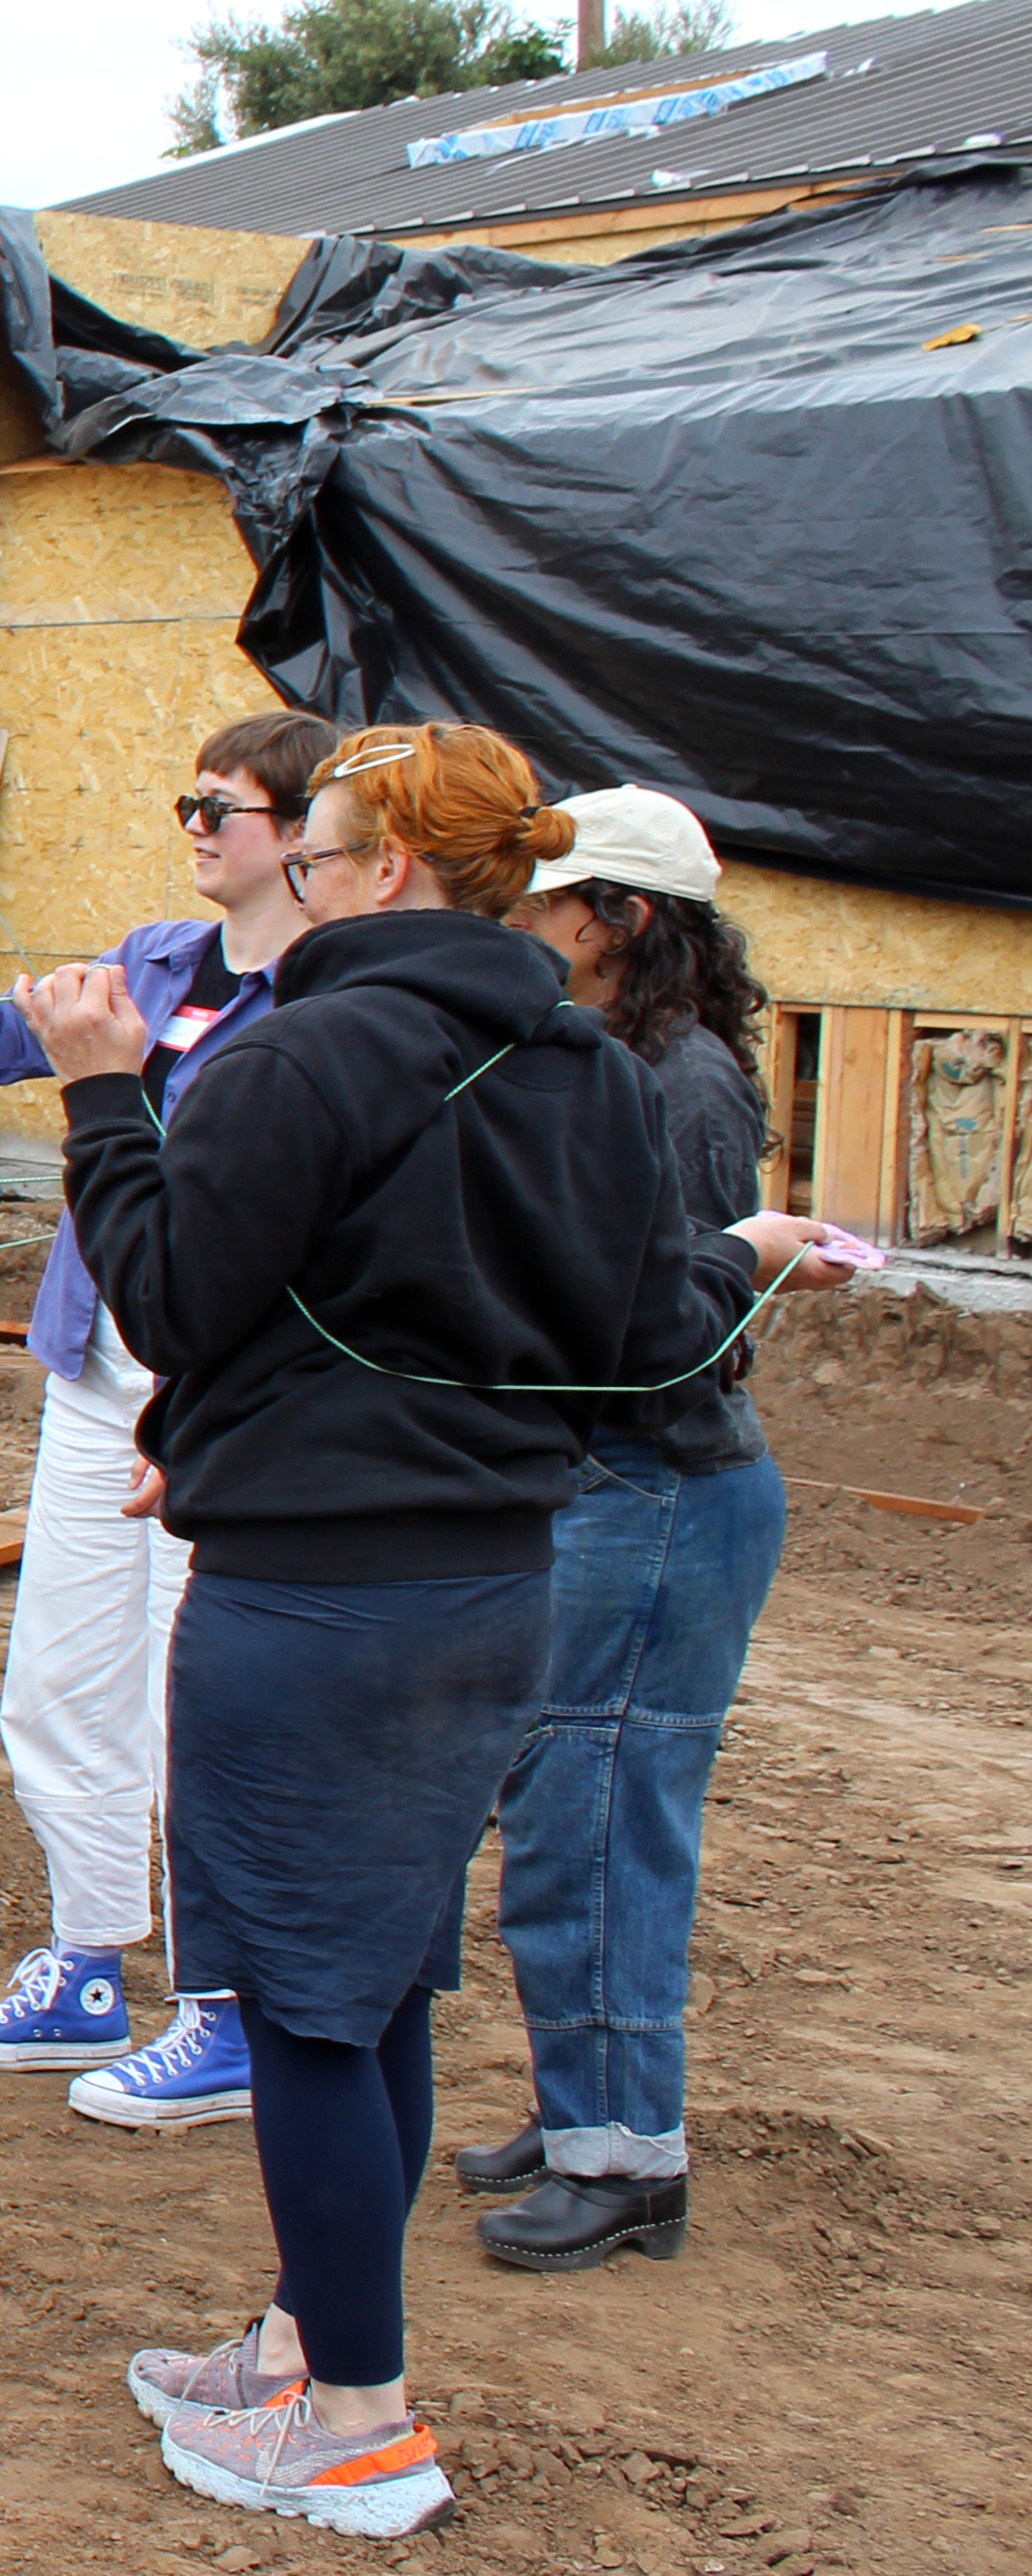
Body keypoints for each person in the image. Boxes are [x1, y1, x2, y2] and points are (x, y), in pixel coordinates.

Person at [20, 723, 845, 2539]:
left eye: (305, 858)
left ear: (381, 865)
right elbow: (632, 1325)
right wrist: (743, 1248)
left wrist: (96, 1094)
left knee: (307, 2010)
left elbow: (164, 1293)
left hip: (309, 1605)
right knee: (372, 1979)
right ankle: (311, 2343)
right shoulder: (588, 1072)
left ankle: (361, 2420)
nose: (290, 887)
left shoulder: (295, 1052)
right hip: (489, 1582)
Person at [0, 707, 337, 2125]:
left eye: (227, 808)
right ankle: (87, 1960)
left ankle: (226, 2003)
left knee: (197, 1694)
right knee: (61, 1680)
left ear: (308, 839)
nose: (197, 829)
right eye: (186, 803)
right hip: (101, 1369)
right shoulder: (153, 958)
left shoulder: (329, 1004)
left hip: (228, 1388)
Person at [459, 789, 792, 2270]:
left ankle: (622, 2155)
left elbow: (675, 1341)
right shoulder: (603, 1062)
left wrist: (740, 1259)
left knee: (599, 1817)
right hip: (602, 1483)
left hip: (658, 1488)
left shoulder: (684, 1085)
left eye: (547, 905)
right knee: (553, 1805)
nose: (521, 926)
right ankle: (575, 2096)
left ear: (626, 921)